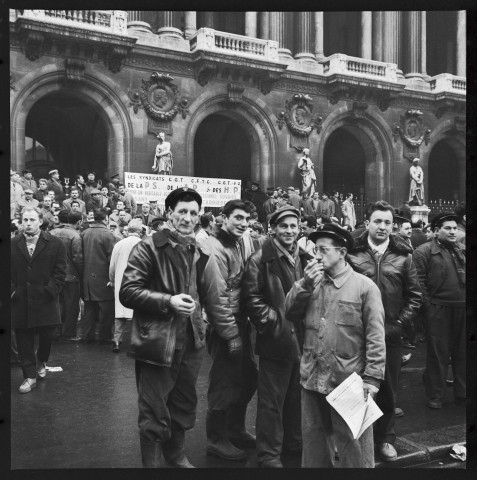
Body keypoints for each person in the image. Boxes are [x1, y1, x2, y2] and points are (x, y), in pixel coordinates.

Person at [119, 187, 215, 468]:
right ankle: (152, 465)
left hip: (191, 340)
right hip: (158, 341)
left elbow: (202, 291)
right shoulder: (148, 246)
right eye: (182, 211)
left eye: (193, 213)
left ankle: (176, 455)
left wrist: (204, 316)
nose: (187, 218)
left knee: (183, 403)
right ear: (169, 213)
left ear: (199, 218)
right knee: (154, 408)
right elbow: (128, 291)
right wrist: (168, 301)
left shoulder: (198, 247)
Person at [285, 223, 385, 468]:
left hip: (349, 381)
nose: (316, 256)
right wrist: (304, 284)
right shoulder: (311, 283)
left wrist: (372, 379)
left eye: (322, 250)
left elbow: (376, 336)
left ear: (341, 252)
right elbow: (289, 312)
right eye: (314, 250)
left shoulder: (365, 287)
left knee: (355, 447)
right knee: (313, 442)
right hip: (312, 377)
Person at [347, 201, 422, 462]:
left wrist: (399, 325)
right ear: (367, 223)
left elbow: (414, 296)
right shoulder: (352, 254)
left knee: (388, 388)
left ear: (393, 226)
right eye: (377, 221)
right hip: (356, 334)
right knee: (355, 388)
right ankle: (354, 440)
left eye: (387, 222)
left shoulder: (404, 256)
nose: (382, 226)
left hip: (390, 334)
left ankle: (385, 438)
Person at [242, 206, 310, 468]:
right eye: (284, 226)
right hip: (276, 340)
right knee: (271, 401)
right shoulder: (260, 259)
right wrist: (274, 324)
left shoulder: (304, 256)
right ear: (273, 228)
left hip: (302, 339)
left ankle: (294, 444)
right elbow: (251, 300)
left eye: (294, 226)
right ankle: (269, 454)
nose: (290, 231)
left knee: (296, 396)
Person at [202, 199, 258, 461]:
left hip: (239, 319)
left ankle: (235, 429)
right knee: (224, 383)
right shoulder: (215, 248)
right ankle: (216, 438)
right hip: (226, 322)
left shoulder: (235, 242)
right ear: (223, 217)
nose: (243, 223)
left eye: (246, 219)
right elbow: (216, 296)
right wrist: (230, 333)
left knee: (247, 378)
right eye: (238, 218)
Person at [412, 213, 465, 409]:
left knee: (463, 353)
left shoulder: (462, 250)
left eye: (454, 228)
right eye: (448, 228)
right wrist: (429, 308)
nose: (453, 231)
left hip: (462, 308)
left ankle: (463, 393)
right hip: (438, 309)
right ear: (436, 231)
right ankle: (436, 396)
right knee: (438, 355)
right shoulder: (423, 252)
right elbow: (418, 283)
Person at [11, 206, 67, 393]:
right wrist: (12, 291)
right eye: (25, 220)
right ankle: (29, 376)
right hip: (21, 300)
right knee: (24, 339)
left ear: (41, 221)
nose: (28, 223)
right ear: (21, 222)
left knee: (47, 336)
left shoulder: (55, 243)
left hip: (46, 300)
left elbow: (60, 272)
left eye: (32, 220)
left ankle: (42, 359)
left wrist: (51, 290)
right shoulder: (12, 243)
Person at [78, 207, 117, 344]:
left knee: (89, 309)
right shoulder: (109, 235)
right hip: (104, 279)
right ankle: (104, 336)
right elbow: (112, 259)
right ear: (106, 219)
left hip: (86, 278)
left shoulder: (84, 233)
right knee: (107, 310)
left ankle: (87, 336)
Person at [109, 219, 143, 353]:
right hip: (139, 281)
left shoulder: (119, 244)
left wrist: (112, 280)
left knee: (120, 313)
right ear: (140, 231)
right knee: (138, 312)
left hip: (120, 280)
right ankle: (137, 342)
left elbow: (112, 266)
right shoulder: (144, 244)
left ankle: (117, 340)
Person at [49, 210, 84, 341]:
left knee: (56, 304)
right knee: (71, 306)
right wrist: (80, 274)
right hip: (71, 276)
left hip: (53, 276)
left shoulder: (51, 233)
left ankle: (55, 331)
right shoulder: (75, 235)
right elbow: (78, 258)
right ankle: (69, 333)